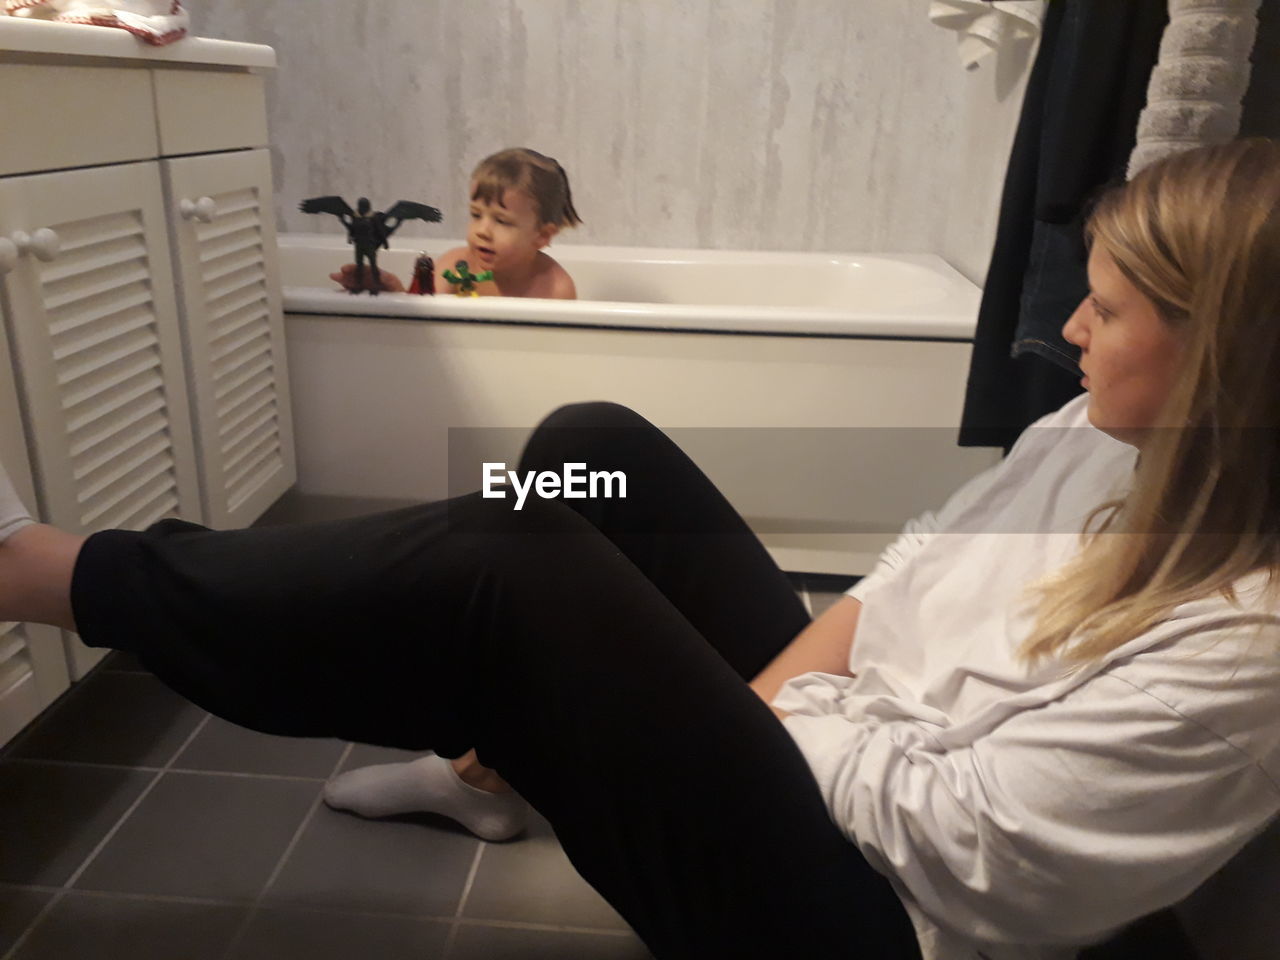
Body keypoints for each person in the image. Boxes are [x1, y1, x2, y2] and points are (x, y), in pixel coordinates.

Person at [1, 138, 1277, 960]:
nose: (1064, 327)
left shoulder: (1249, 648)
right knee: (591, 446)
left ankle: (60, 574)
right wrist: (767, 697)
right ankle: (481, 771)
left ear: (1220, 354)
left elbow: (964, 847)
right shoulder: (1091, 434)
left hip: (880, 914)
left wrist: (755, 714)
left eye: (1104, 310)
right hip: (841, 731)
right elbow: (908, 574)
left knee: (509, 570)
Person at [330, 147, 581, 299]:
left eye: (502, 221)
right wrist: (393, 293)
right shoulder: (454, 265)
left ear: (542, 235)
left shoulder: (556, 288)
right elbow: (423, 329)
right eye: (476, 215)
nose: (482, 231)